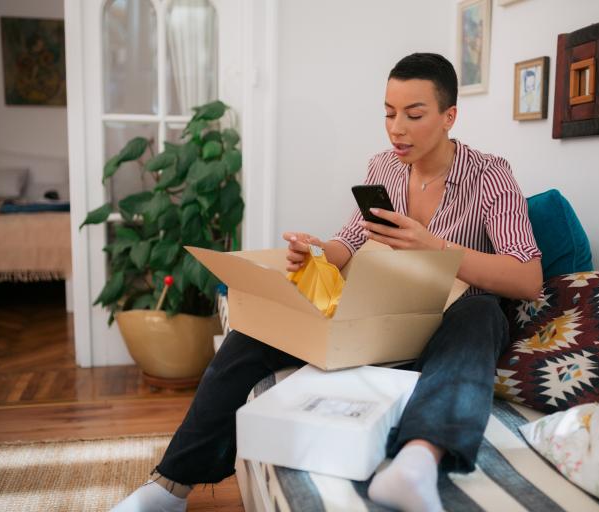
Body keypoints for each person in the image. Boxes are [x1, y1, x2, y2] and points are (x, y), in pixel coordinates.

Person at [111, 52, 542, 512]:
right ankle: (169, 488)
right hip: (378, 322)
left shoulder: (490, 175)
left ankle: (417, 463)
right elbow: (352, 240)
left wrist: (434, 249)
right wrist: (318, 252)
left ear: (448, 116)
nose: (396, 128)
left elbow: (527, 277)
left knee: (483, 312)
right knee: (251, 335)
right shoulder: (384, 168)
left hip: (447, 329)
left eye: (413, 115)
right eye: (389, 112)